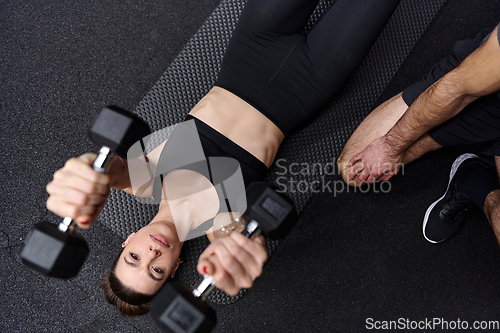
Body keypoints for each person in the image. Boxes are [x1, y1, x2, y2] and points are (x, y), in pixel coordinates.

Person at [45, 0, 400, 316]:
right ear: (174, 269)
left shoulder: (142, 180)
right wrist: (240, 255)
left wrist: (85, 173)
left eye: (134, 257)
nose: (151, 254)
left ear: (128, 240)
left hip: (251, 48)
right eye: (155, 270)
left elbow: (107, 170)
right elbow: (240, 241)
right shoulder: (220, 226)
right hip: (308, 84)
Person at [337, 24, 500, 245]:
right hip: (484, 87)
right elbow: (456, 89)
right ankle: (472, 172)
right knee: (353, 170)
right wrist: (390, 146)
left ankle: (476, 182)